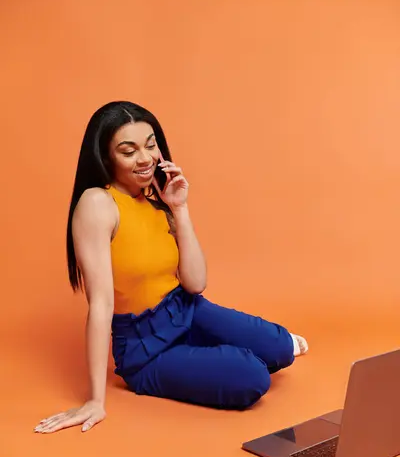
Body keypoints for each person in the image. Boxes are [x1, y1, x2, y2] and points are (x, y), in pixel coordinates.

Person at [34, 101, 308, 435]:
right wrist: (95, 400)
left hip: (188, 309)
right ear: (106, 158)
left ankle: (232, 351)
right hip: (144, 347)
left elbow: (196, 284)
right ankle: (223, 357)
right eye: (128, 150)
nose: (145, 158)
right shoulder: (98, 204)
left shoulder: (156, 204)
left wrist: (180, 208)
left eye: (151, 145)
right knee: (253, 378)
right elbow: (102, 304)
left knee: (281, 348)